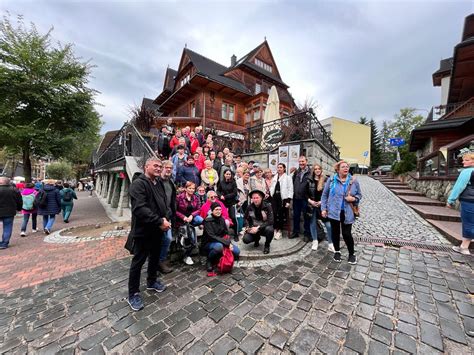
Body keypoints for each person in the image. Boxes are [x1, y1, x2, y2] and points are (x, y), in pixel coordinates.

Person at [127, 158, 170, 311]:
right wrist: (159, 221)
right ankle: (133, 294)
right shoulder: (138, 184)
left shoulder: (158, 183)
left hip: (157, 230)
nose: (159, 168)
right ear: (146, 167)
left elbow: (163, 202)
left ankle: (152, 281)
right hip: (143, 230)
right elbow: (140, 209)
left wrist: (165, 218)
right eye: (155, 166)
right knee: (138, 262)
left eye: (160, 166)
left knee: (154, 257)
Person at [321, 160, 362, 264]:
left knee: (347, 234)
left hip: (347, 212)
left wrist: (353, 199)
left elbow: (359, 195)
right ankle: (337, 251)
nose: (346, 168)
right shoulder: (331, 180)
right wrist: (324, 209)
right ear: (338, 169)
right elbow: (325, 195)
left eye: (347, 167)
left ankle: (351, 254)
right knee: (335, 233)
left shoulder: (353, 181)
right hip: (334, 211)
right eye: (343, 167)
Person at [202, 202, 240, 277]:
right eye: (216, 209)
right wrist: (226, 243)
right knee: (219, 247)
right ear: (212, 210)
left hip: (222, 241)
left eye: (220, 209)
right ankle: (209, 260)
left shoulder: (222, 219)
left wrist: (230, 243)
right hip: (210, 242)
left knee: (237, 251)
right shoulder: (207, 221)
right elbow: (211, 236)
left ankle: (219, 256)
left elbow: (226, 233)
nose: (218, 211)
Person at [447, 149, 474, 255]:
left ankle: (464, 247)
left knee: (468, 223)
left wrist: (451, 200)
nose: (463, 162)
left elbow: (459, 187)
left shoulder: (467, 172)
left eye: (466, 160)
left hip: (469, 201)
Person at [307, 164, 333, 251]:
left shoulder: (326, 180)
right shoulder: (309, 180)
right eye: (315, 169)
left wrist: (322, 202)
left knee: (328, 225)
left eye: (319, 169)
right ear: (313, 171)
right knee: (313, 223)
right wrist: (310, 201)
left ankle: (330, 243)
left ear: (321, 170)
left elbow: (330, 194)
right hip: (312, 205)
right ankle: (315, 241)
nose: (317, 170)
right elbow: (305, 193)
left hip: (323, 206)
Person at [176, 181, 203, 265]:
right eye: (190, 188)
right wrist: (183, 217)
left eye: (193, 188)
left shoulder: (195, 197)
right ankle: (186, 256)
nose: (191, 190)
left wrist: (191, 215)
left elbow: (199, 209)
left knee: (201, 220)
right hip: (181, 220)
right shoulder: (179, 197)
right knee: (190, 235)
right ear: (185, 188)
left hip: (192, 218)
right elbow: (175, 210)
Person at [158, 160, 176, 274]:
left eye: (170, 168)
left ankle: (161, 260)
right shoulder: (157, 181)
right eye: (167, 167)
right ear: (162, 168)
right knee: (162, 239)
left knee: (167, 239)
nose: (169, 169)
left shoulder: (170, 181)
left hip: (168, 215)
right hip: (159, 216)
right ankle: (158, 262)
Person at [242, 189, 274, 254]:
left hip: (263, 227)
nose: (255, 200)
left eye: (257, 198)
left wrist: (258, 228)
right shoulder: (249, 207)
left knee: (270, 230)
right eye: (254, 198)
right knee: (245, 239)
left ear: (261, 198)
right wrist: (248, 227)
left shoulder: (267, 206)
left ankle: (267, 245)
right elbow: (245, 218)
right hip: (253, 228)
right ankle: (256, 238)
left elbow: (271, 221)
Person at [270, 163, 293, 240]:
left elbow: (290, 189)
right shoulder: (275, 177)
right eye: (278, 167)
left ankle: (280, 230)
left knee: (280, 214)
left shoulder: (288, 178)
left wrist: (288, 201)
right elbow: (272, 187)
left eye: (281, 167)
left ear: (284, 168)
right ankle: (275, 229)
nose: (279, 169)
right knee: (274, 214)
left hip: (283, 199)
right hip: (275, 198)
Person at [291, 156, 311, 240]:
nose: (301, 163)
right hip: (296, 198)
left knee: (306, 216)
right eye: (300, 162)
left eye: (303, 161)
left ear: (306, 161)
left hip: (305, 198)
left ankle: (307, 234)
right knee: (296, 215)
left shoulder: (311, 172)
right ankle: (296, 232)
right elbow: (292, 183)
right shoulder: (296, 172)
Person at [0, 177, 22, 249]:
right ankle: (4, 243)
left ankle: (4, 243)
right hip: (9, 212)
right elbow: (19, 200)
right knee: (7, 227)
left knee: (7, 227)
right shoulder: (14, 190)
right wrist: (19, 208)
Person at [217, 169, 239, 240]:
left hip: (231, 203)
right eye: (227, 174)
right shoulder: (221, 182)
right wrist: (220, 195)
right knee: (222, 218)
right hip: (223, 203)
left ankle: (236, 234)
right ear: (224, 174)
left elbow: (234, 193)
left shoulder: (233, 182)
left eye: (229, 174)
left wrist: (225, 197)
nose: (228, 175)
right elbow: (218, 190)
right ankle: (224, 234)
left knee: (233, 217)